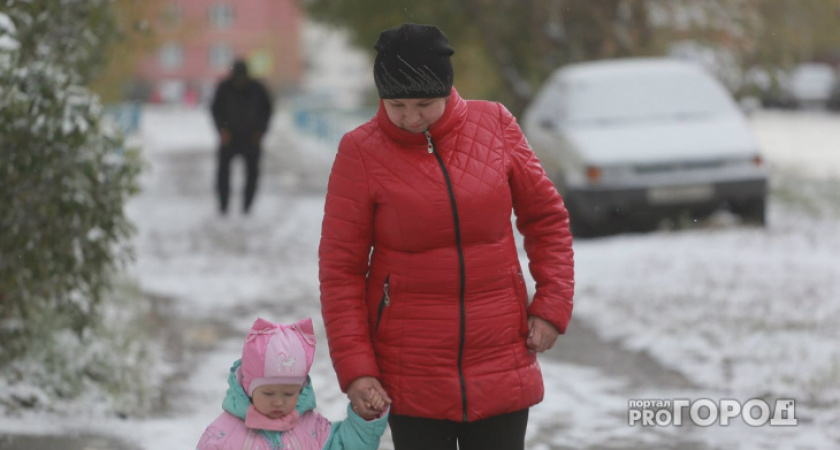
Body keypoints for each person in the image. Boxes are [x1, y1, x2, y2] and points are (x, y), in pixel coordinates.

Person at [318, 22, 574, 450]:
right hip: (409, 368)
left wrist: (552, 305)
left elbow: (546, 217)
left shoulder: (495, 124)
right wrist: (357, 369)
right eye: (396, 105)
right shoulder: (359, 151)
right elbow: (340, 272)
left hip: (500, 357)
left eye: (424, 103)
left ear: (447, 90)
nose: (411, 117)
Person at [196, 317, 389, 450]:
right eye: (268, 393)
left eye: (289, 394)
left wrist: (364, 418)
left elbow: (345, 445)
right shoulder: (223, 436)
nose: (279, 402)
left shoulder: (312, 429)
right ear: (248, 388)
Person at [210, 59, 273, 215]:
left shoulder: (257, 88)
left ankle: (247, 207)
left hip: (251, 139)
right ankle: (223, 207)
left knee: (252, 174)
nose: (240, 82)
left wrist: (260, 131)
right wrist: (221, 130)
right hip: (229, 138)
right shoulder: (224, 88)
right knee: (223, 174)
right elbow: (215, 110)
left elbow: (267, 110)